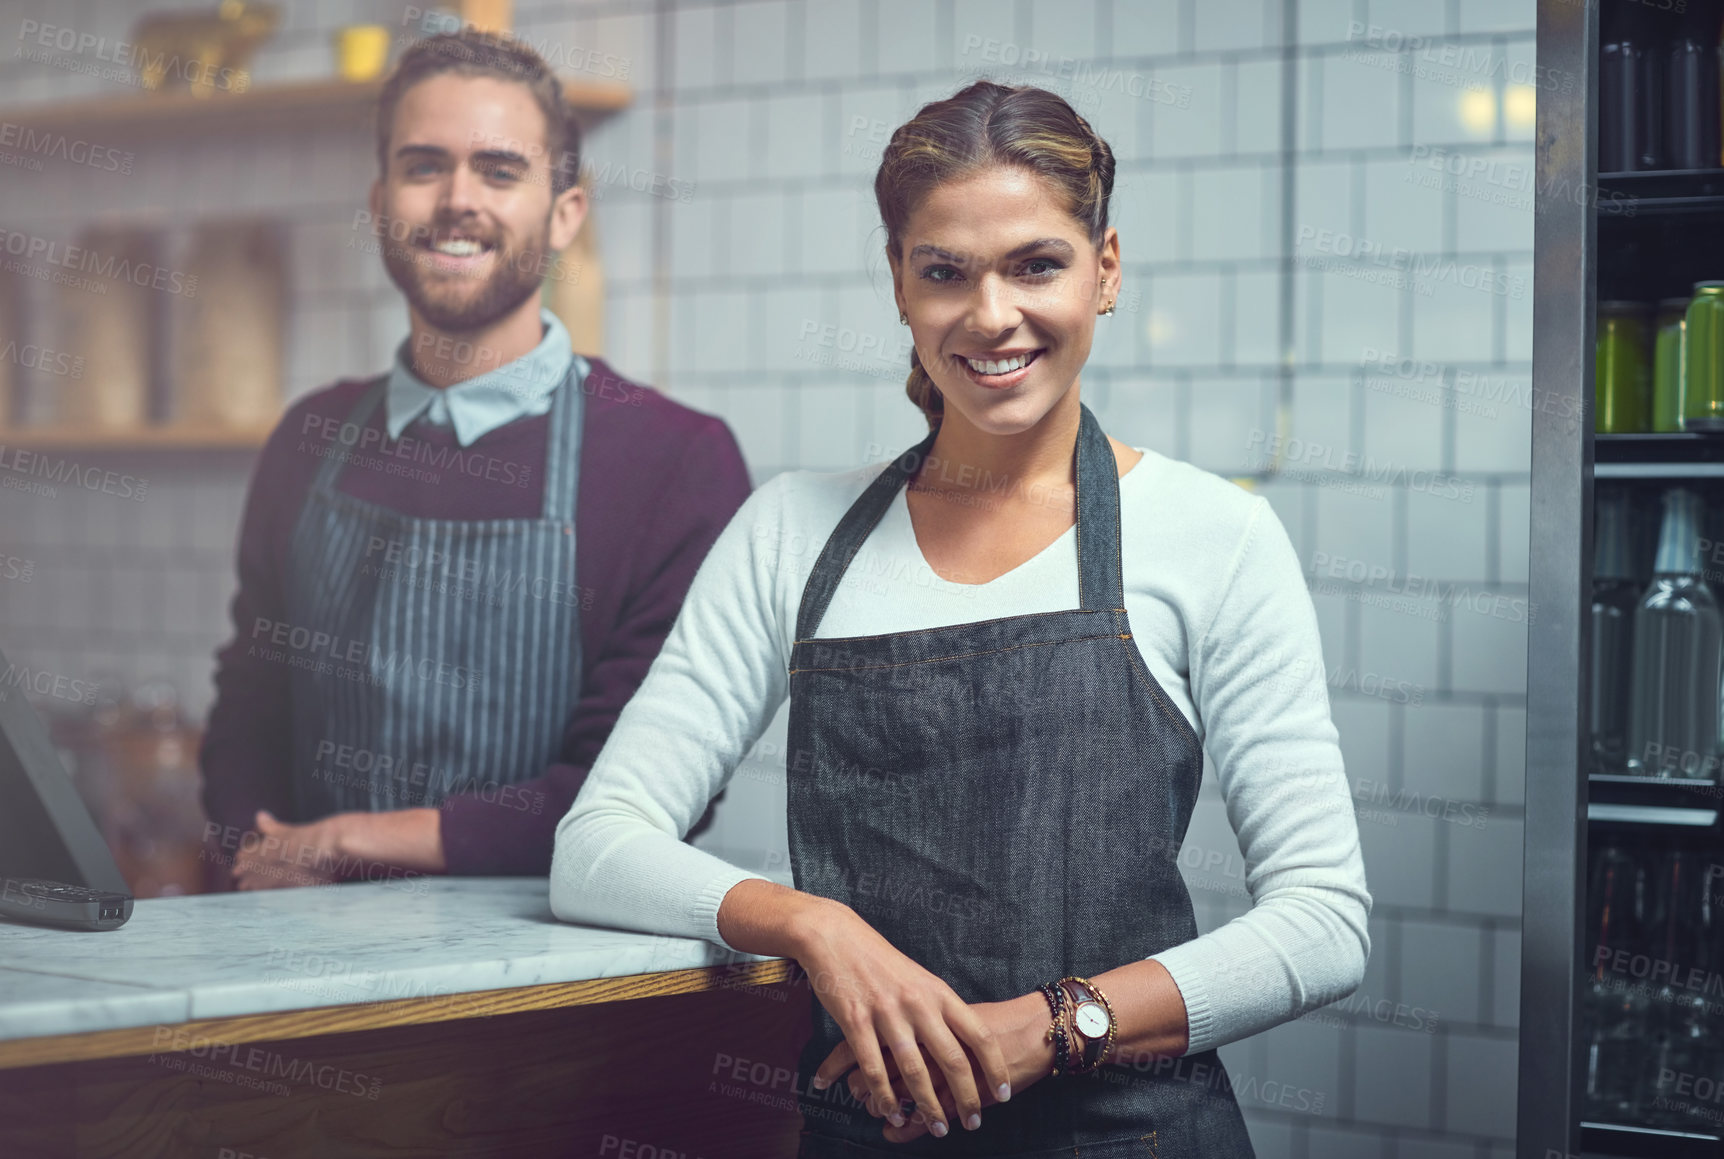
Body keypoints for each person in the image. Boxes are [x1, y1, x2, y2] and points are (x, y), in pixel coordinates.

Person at [550, 81, 1369, 1156]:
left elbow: (1322, 921)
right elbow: (596, 848)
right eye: (944, 272)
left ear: (1104, 270)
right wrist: (816, 925)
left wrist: (1049, 1026)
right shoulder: (789, 529)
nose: (990, 316)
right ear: (899, 284)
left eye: (1035, 264)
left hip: (1129, 1132)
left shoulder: (1213, 534)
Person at [198, 30, 751, 889]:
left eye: (499, 170)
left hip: (545, 978)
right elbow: (248, 707)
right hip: (294, 946)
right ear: (382, 198)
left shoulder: (677, 461)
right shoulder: (308, 436)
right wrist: (257, 854)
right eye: (424, 167)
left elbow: (644, 785)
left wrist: (355, 838)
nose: (457, 199)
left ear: (566, 210)